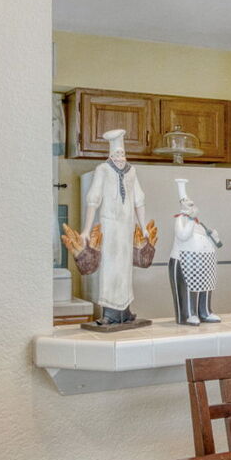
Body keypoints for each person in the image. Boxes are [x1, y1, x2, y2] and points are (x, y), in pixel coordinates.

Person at [80, 129, 147, 326]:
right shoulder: (103, 170)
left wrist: (143, 226)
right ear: (110, 155)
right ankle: (109, 312)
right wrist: (86, 229)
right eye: (117, 154)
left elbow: (139, 199)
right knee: (110, 265)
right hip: (109, 224)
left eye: (122, 154)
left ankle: (124, 312)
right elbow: (94, 198)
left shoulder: (132, 171)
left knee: (125, 267)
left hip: (127, 226)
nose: (120, 158)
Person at [169, 178, 224, 325]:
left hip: (203, 263)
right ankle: (189, 314)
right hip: (185, 261)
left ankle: (205, 311)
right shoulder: (181, 219)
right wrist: (192, 220)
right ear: (183, 207)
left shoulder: (197, 222)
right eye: (189, 205)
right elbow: (183, 235)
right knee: (188, 288)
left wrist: (213, 236)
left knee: (205, 287)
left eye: (193, 204)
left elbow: (205, 237)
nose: (192, 207)